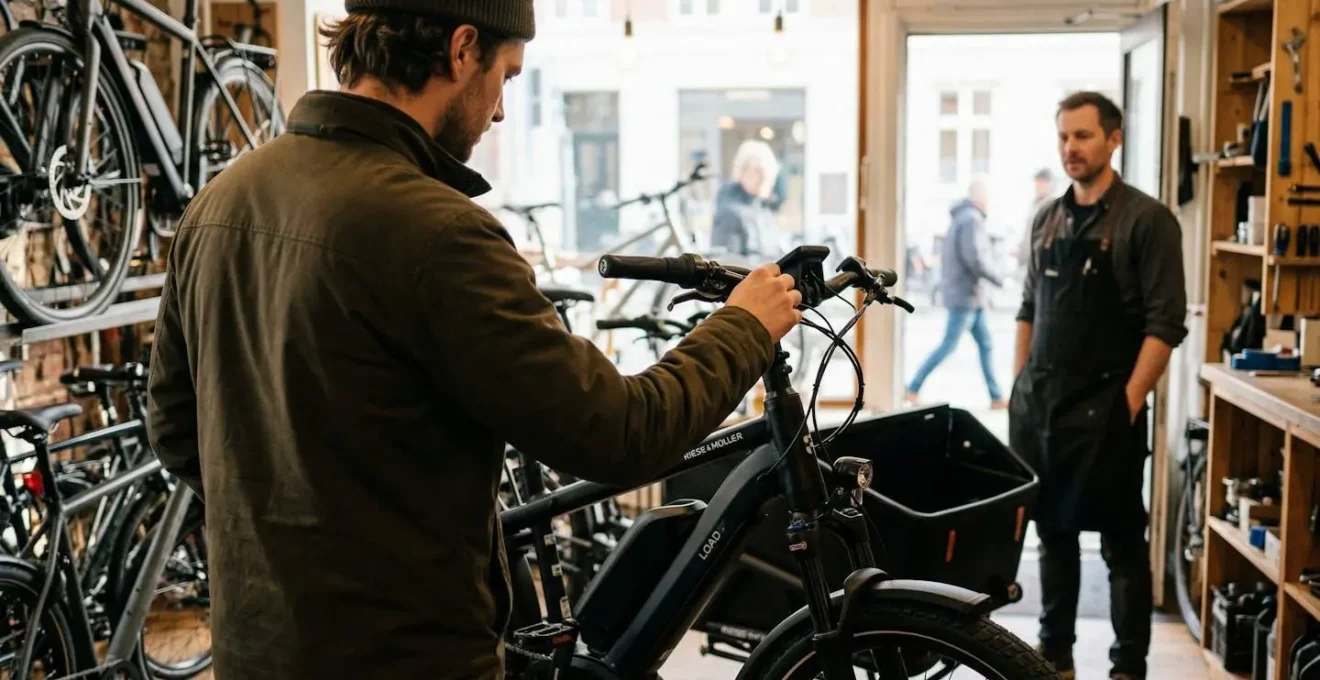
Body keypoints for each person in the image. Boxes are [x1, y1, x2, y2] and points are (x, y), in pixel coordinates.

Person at [144, 3, 803, 678]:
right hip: (409, 657)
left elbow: (172, 427)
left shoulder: (221, 203)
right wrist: (744, 326)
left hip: (255, 651)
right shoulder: (438, 232)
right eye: (506, 77)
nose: (499, 113)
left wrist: (294, 511)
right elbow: (619, 432)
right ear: (462, 49)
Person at [1008, 92, 1187, 680]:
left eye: (1083, 136)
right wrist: (1019, 386)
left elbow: (1165, 324)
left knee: (1121, 545)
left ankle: (1127, 665)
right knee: (1053, 536)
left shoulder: (1147, 220)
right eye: (1063, 137)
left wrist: (1128, 404)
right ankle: (1054, 656)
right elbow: (1029, 306)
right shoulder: (1046, 217)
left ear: (1113, 140)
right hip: (1043, 409)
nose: (1070, 148)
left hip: (1108, 407)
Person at [904, 179, 1005, 408]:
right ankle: (913, 387)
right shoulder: (971, 219)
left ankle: (996, 397)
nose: (989, 203)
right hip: (966, 296)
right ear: (978, 197)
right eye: (987, 197)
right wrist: (997, 278)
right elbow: (976, 258)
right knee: (949, 345)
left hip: (970, 296)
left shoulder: (962, 217)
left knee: (986, 345)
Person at [711, 139, 781, 260]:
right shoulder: (731, 213)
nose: (768, 183)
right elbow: (728, 264)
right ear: (746, 171)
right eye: (763, 175)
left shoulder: (759, 207)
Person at [1018, 167, 1055, 279]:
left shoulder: (1051, 206)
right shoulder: (1035, 204)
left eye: (1041, 182)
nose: (1037, 186)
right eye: (1037, 182)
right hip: (1029, 263)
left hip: (1041, 265)